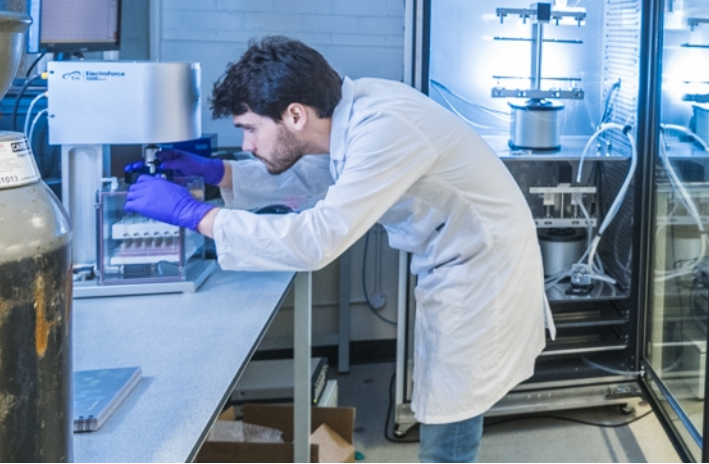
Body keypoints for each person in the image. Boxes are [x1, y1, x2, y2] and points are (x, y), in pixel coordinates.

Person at [122, 36, 550, 464]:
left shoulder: (385, 127)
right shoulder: (352, 111)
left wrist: (196, 215)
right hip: (456, 261)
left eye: (250, 129)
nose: (248, 144)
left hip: (483, 271)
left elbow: (317, 240)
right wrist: (222, 174)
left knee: (451, 419)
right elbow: (316, 172)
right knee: (448, 401)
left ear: (294, 114)